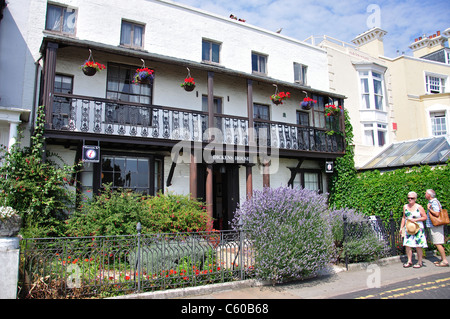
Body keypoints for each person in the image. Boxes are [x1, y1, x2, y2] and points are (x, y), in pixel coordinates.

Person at [400, 191, 428, 268]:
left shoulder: (419, 207)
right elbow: (404, 217)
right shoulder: (405, 207)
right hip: (408, 228)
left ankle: (419, 262)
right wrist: (401, 227)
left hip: (417, 228)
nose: (410, 199)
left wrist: (415, 220)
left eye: (412, 198)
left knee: (418, 245)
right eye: (408, 198)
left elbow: (425, 217)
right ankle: (409, 261)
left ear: (415, 199)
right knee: (408, 245)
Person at [425, 189, 449, 267]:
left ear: (429, 195)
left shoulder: (434, 202)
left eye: (426, 194)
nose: (425, 195)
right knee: (436, 242)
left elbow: (437, 213)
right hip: (434, 225)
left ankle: (445, 260)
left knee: (438, 243)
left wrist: (429, 209)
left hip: (436, 225)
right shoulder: (432, 202)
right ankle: (442, 259)